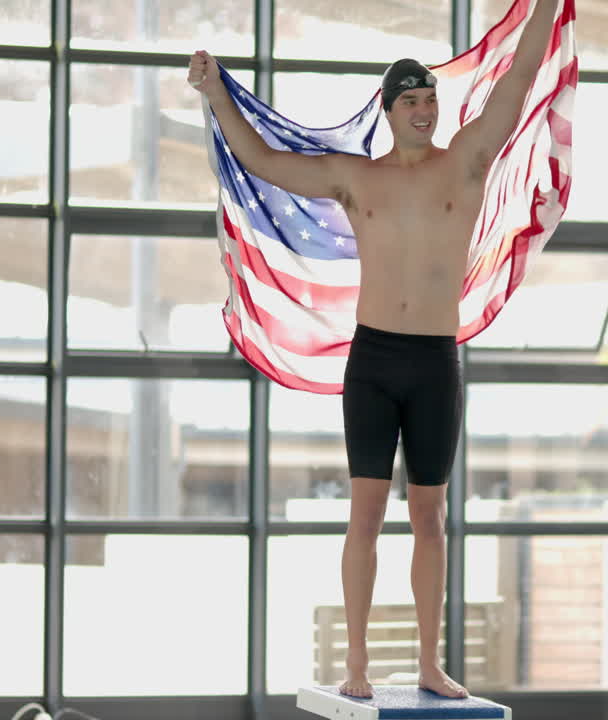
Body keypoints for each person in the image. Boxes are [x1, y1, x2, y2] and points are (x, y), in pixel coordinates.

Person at [188, 0, 561, 699]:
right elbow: (263, 160)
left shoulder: (468, 162)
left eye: (430, 99)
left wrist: (544, 5)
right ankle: (356, 664)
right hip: (376, 361)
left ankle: (428, 661)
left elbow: (520, 76)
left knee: (430, 517)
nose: (423, 109)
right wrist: (215, 92)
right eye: (410, 101)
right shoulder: (358, 179)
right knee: (365, 514)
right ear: (387, 111)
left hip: (434, 363)